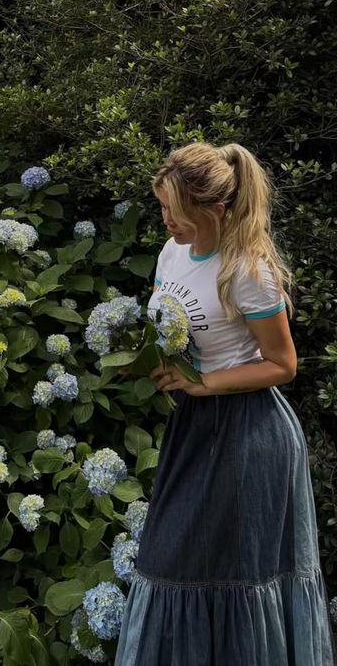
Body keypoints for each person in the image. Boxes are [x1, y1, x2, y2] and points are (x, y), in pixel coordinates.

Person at [114, 142, 337, 666]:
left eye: (175, 210)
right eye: (162, 206)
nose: (166, 220)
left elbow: (282, 364)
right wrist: (143, 359)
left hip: (246, 434)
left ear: (214, 209)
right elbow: (172, 332)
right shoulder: (172, 253)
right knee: (171, 560)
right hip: (192, 427)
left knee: (236, 574)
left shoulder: (246, 270)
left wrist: (206, 382)